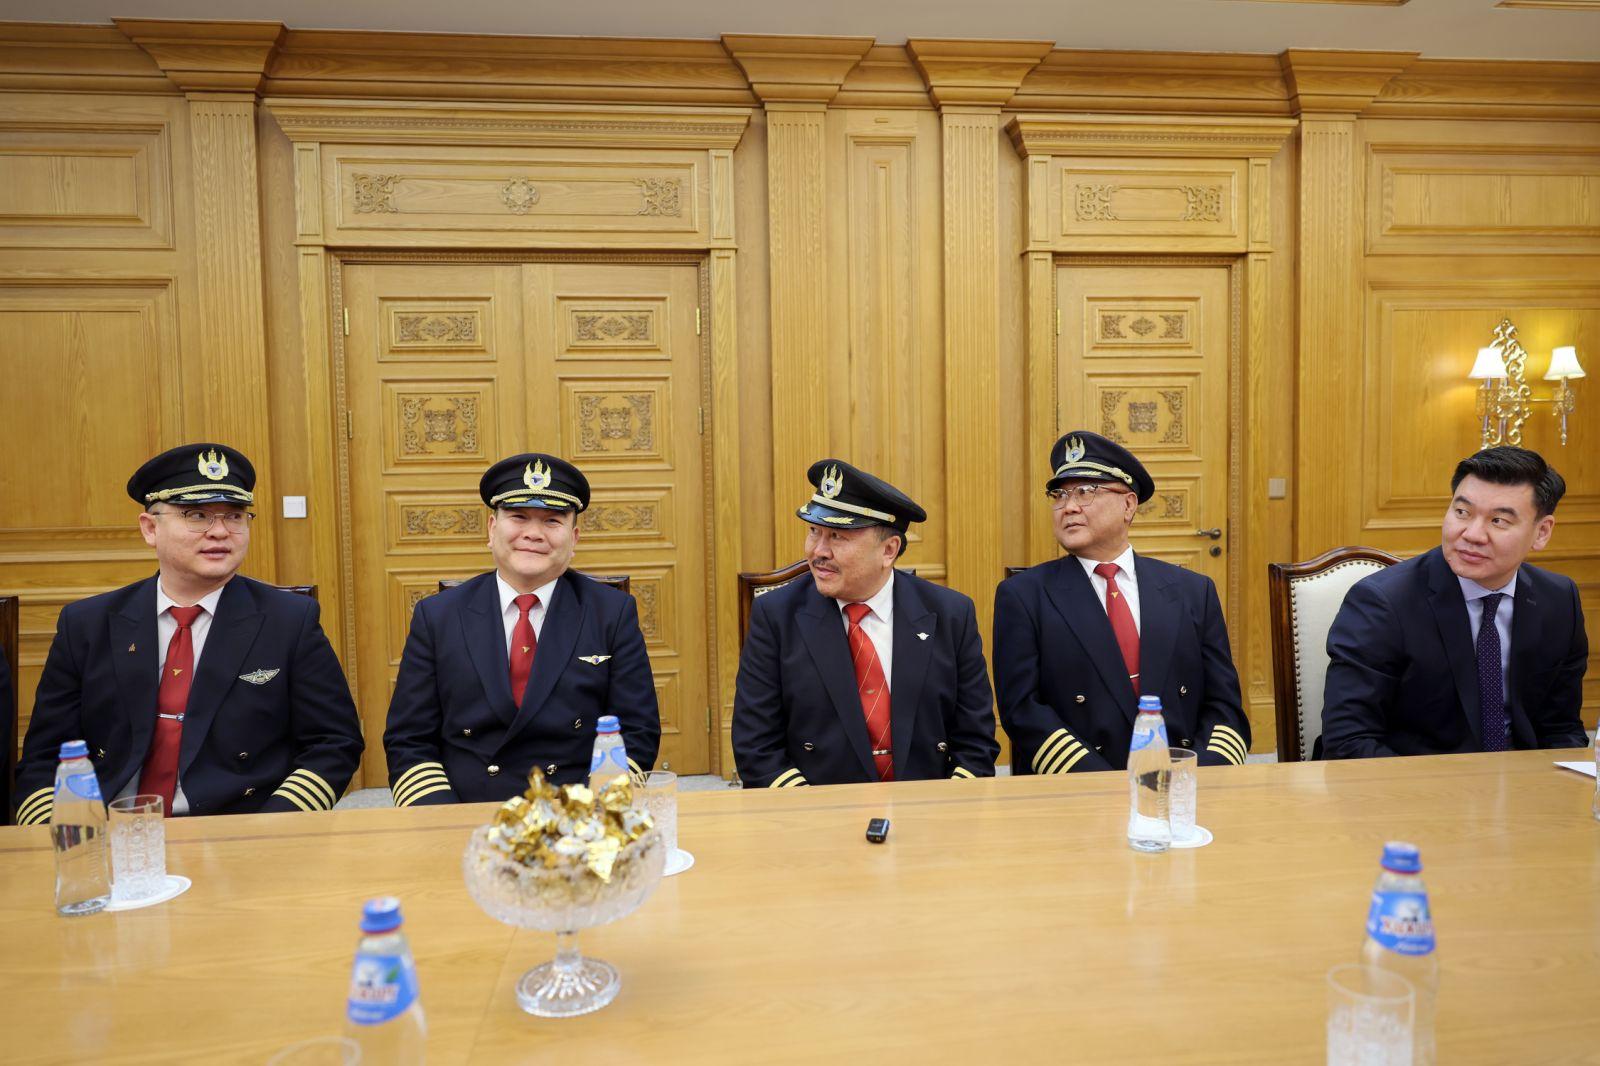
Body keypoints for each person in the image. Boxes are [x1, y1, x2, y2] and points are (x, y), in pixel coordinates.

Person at [13, 444, 363, 825]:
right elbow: (45, 757)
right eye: (197, 515)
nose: (220, 532)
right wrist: (61, 840)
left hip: (240, 828)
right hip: (110, 830)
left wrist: (270, 829)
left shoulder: (289, 621)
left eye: (235, 516)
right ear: (150, 528)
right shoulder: (88, 624)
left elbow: (333, 743)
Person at [383, 453, 658, 805]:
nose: (533, 533)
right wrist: (443, 821)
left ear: (574, 538)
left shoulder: (612, 613)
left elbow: (637, 732)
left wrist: (588, 817)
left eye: (552, 521)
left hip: (574, 809)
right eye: (518, 517)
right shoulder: (438, 616)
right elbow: (409, 739)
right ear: (491, 529)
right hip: (466, 809)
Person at [995, 431, 1250, 774]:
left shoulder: (1193, 591)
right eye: (1059, 495)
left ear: (1128, 504)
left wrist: (1195, 776)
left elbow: (1224, 705)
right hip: (1079, 784)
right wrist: (1102, 783)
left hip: (1182, 781)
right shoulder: (1024, 596)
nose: (1069, 506)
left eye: (1085, 491)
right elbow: (1023, 710)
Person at [732, 459, 998, 787]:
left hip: (926, 805)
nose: (818, 551)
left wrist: (945, 807)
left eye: (837, 536)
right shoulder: (776, 616)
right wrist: (810, 810)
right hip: (817, 807)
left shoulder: (950, 614)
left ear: (889, 551)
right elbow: (756, 746)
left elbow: (976, 740)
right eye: (814, 531)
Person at [1322, 446, 1588, 758]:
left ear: (1541, 532)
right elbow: (1348, 741)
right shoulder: (1382, 603)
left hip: (1522, 781)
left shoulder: (1559, 600)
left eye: (1498, 520)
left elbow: (1561, 729)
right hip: (1414, 779)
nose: (1472, 534)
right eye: (1462, 512)